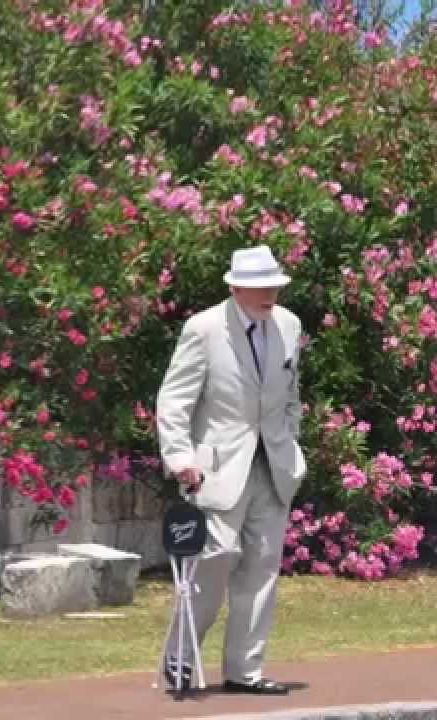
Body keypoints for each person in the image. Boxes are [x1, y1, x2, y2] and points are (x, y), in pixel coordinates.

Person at [155, 245, 306, 695]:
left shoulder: (288, 325)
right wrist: (180, 458)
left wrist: (290, 440)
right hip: (217, 469)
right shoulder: (203, 329)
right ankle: (182, 657)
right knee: (213, 562)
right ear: (236, 287)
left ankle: (246, 670)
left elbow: (291, 393)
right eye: (261, 286)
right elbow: (175, 399)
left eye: (275, 285)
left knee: (261, 568)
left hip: (273, 465)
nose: (270, 294)